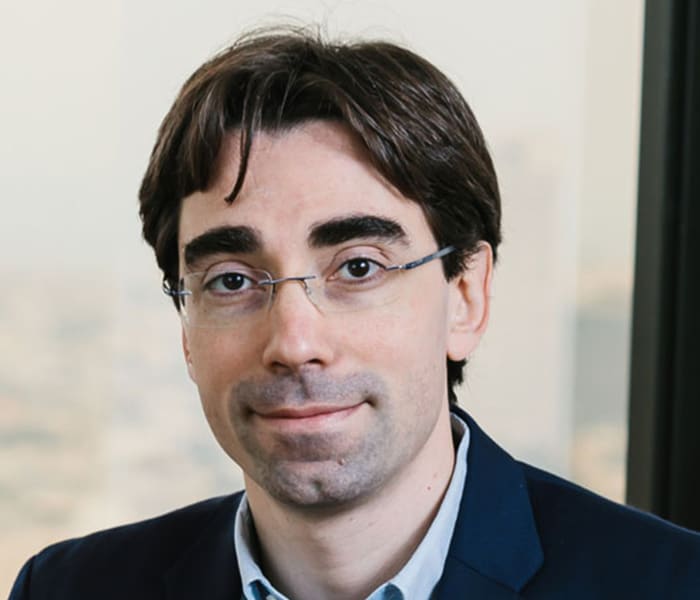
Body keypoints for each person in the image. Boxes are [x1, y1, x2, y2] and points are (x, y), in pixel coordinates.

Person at [9, 27, 700, 600]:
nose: (293, 341)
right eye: (231, 280)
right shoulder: (70, 589)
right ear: (185, 329)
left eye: (359, 268)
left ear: (466, 296)